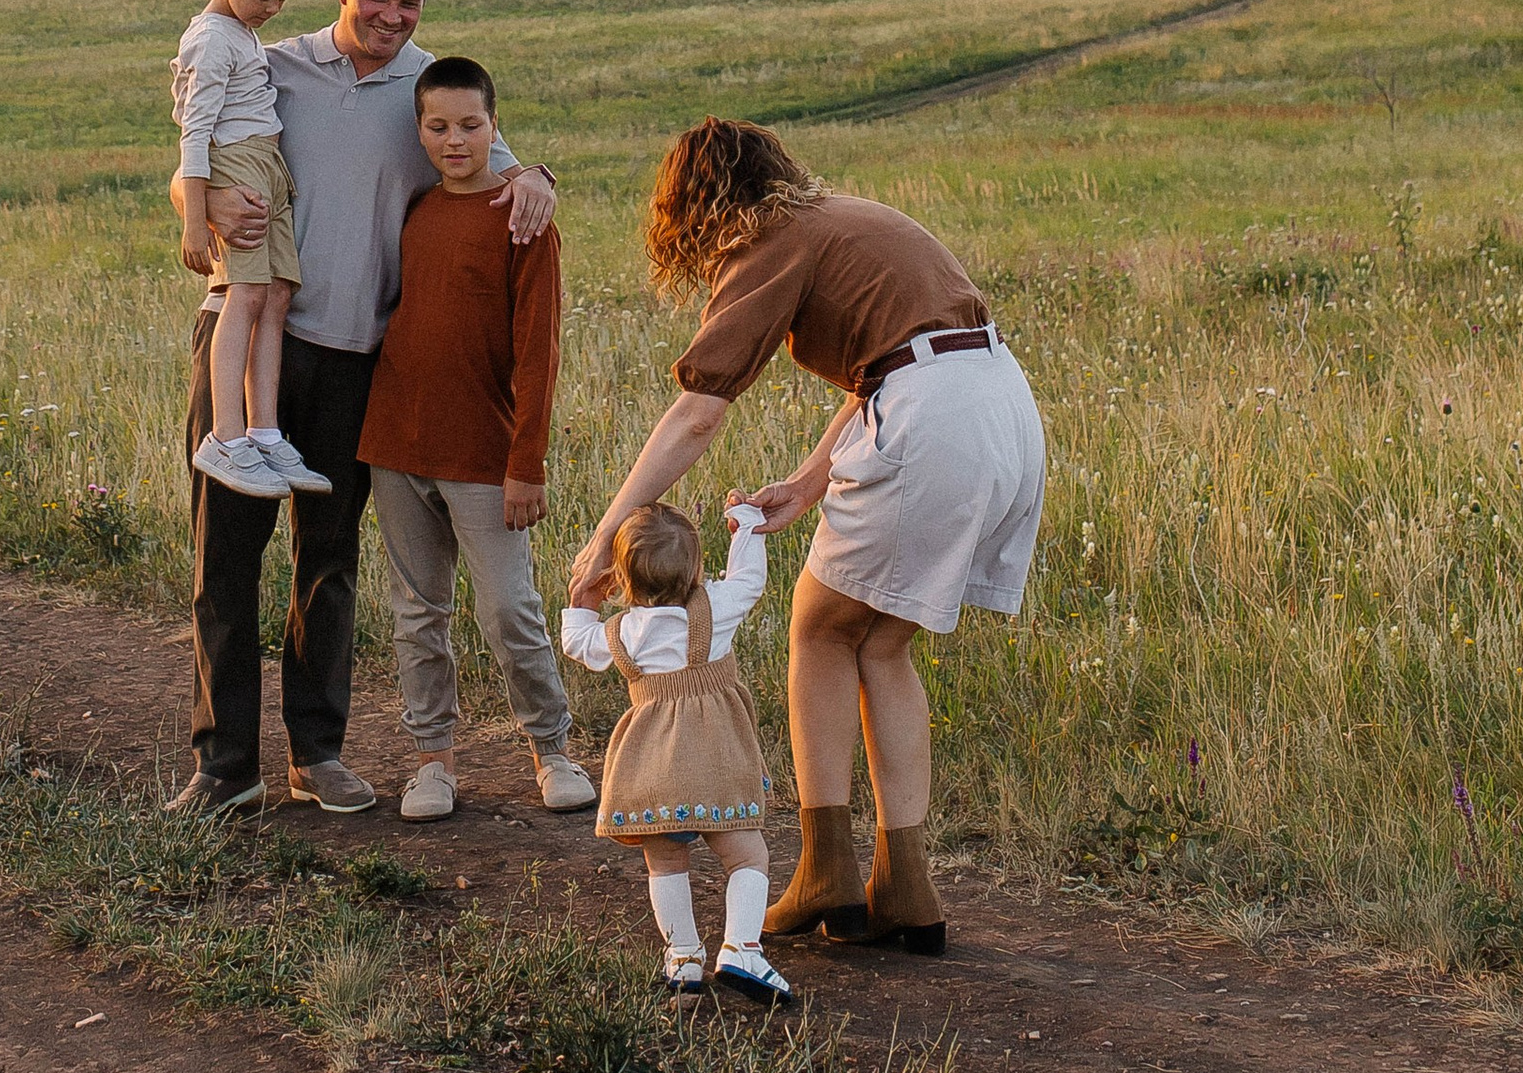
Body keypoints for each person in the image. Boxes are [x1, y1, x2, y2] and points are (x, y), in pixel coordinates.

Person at [568, 119, 1045, 952]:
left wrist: (611, 530)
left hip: (930, 419)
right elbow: (896, 361)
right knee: (878, 644)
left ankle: (827, 870)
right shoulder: (845, 216)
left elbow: (698, 413)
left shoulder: (770, 238)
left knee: (818, 629)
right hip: (998, 406)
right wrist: (809, 481)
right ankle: (906, 888)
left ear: (698, 205)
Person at [167, 0, 557, 821]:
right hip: (242, 337)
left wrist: (539, 171)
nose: (389, 16)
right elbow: (192, 149)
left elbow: (499, 175)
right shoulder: (271, 62)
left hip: (355, 363)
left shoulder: (431, 95)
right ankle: (225, 767)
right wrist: (204, 197)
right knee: (224, 556)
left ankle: (317, 754)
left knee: (327, 561)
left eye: (408, 3)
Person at [356, 54, 599, 821]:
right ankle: (433, 762)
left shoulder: (523, 219)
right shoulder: (416, 210)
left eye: (470, 125)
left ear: (496, 128)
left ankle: (553, 749)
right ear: (419, 130)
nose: (454, 140)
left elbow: (539, 352)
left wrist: (526, 464)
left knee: (509, 610)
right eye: (438, 126)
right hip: (396, 443)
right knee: (416, 611)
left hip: (485, 456)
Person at [561, 497, 787, 1002]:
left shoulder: (625, 633)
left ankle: (683, 956)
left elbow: (577, 641)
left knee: (664, 864)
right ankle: (742, 948)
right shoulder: (715, 610)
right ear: (696, 569)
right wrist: (745, 526)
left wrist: (585, 594)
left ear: (622, 579)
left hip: (655, 773)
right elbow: (750, 580)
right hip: (718, 767)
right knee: (748, 856)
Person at [172, 0, 328, 500]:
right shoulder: (211, 40)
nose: (272, 9)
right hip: (237, 161)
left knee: (277, 292)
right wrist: (196, 218)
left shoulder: (241, 33)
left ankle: (264, 433)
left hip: (266, 162)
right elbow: (193, 131)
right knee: (246, 294)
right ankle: (225, 437)